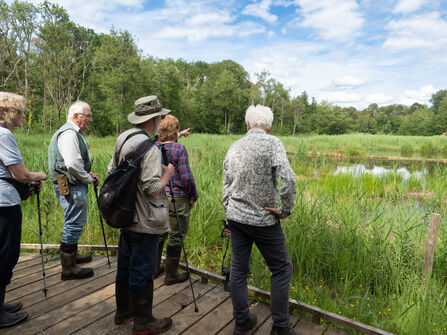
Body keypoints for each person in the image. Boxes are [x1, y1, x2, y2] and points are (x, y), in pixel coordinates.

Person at [222, 105, 298, 335]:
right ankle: (281, 327)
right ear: (270, 126)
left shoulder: (234, 146)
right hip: (264, 221)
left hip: (236, 219)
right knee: (282, 269)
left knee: (238, 270)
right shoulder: (272, 142)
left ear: (247, 125)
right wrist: (284, 210)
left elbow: (226, 184)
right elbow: (290, 180)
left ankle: (242, 321)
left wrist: (230, 211)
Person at [109, 95, 175, 334]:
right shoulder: (150, 148)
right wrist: (167, 175)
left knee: (124, 266)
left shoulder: (123, 138)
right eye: (160, 116)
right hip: (145, 219)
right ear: (154, 118)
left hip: (124, 215)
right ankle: (143, 322)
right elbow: (151, 189)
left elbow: (111, 172)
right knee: (143, 270)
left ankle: (123, 312)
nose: (160, 120)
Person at [0, 92, 48, 328]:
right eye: (21, 111)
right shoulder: (3, 134)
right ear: (11, 112)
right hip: (4, 203)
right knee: (6, 254)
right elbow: (19, 174)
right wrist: (38, 176)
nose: (23, 116)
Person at [48, 101, 100, 281]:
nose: (91, 120)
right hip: (72, 185)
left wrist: (86, 174)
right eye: (89, 116)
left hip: (71, 183)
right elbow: (72, 164)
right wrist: (87, 178)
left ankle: (73, 256)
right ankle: (68, 268)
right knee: (73, 223)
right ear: (76, 117)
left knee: (74, 221)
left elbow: (74, 163)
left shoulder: (71, 132)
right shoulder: (70, 133)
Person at [156, 115, 199, 285]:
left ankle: (154, 269)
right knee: (177, 234)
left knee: (160, 233)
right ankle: (171, 274)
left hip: (159, 194)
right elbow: (187, 177)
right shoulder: (179, 150)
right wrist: (194, 196)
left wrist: (179, 133)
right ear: (175, 130)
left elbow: (166, 140)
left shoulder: (154, 146)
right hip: (178, 197)